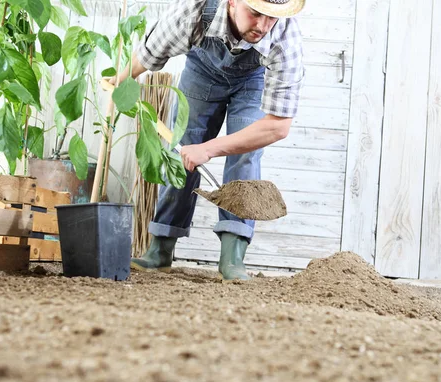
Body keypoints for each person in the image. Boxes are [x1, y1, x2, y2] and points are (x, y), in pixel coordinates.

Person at [112, 0, 305, 281]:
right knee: (182, 148)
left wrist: (208, 149)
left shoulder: (285, 39)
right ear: (232, 2)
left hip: (253, 80)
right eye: (255, 14)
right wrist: (117, 82)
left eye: (271, 18)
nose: (263, 26)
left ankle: (233, 258)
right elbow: (149, 54)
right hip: (202, 72)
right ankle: (160, 250)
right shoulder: (191, 14)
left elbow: (278, 127)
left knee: (245, 157)